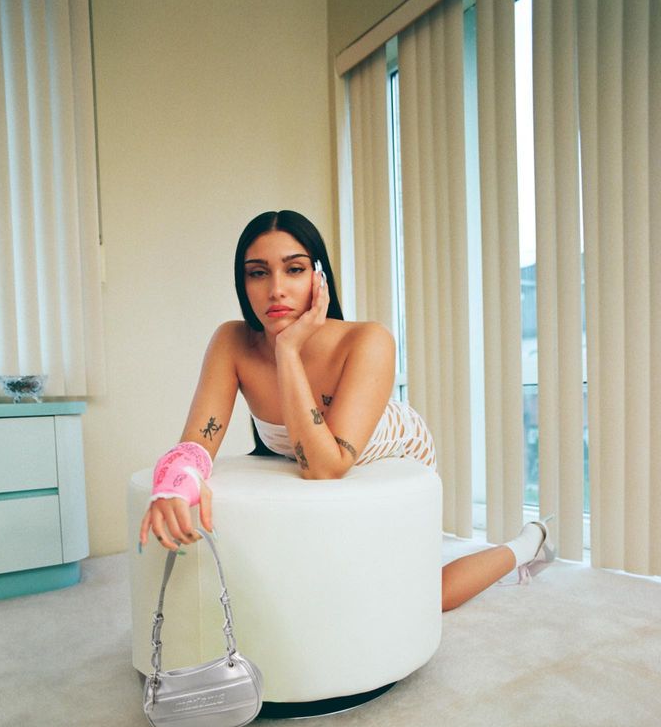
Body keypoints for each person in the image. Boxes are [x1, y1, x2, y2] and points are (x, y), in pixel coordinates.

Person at [139, 210, 554, 611]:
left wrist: (287, 351)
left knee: (418, 597)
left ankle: (528, 543)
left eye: (294, 269)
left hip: (393, 453)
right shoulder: (232, 341)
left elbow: (325, 468)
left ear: (318, 277)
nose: (276, 289)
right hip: (318, 460)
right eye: (258, 273)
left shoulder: (367, 340)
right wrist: (172, 484)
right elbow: (196, 444)